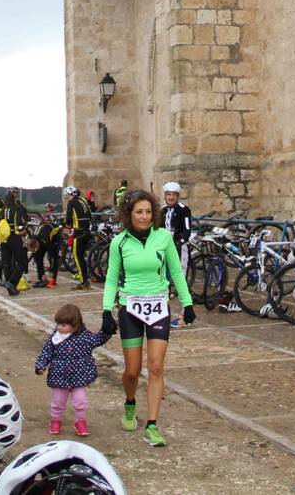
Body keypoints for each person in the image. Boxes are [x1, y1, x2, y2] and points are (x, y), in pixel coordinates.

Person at [100, 189, 196, 447]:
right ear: (128, 214)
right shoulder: (118, 242)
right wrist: (107, 309)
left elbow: (176, 271)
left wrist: (187, 304)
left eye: (148, 212)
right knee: (132, 371)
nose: (144, 217)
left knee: (155, 366)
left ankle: (152, 425)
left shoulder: (163, 238)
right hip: (130, 307)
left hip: (158, 306)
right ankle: (130, 402)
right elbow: (111, 278)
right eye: (138, 212)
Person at [34, 303, 112, 437]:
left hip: (80, 376)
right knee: (58, 402)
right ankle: (55, 420)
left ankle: (80, 421)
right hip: (59, 376)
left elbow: (98, 339)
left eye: (63, 325)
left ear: (75, 324)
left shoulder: (85, 337)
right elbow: (46, 353)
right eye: (58, 324)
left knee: (81, 401)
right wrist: (41, 366)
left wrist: (107, 331)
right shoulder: (54, 339)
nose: (60, 327)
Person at [160, 181, 194, 328]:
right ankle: (163, 313)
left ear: (178, 196)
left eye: (174, 195)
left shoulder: (184, 210)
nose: (171, 197)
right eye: (168, 194)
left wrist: (179, 241)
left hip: (179, 247)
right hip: (164, 248)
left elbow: (187, 230)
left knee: (181, 279)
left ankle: (186, 315)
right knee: (164, 280)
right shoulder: (162, 211)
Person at [2, 187, 32, 294]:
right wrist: (24, 228)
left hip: (4, 238)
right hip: (14, 237)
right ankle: (12, 282)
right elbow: (22, 221)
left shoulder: (4, 208)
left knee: (6, 263)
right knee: (22, 262)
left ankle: (10, 289)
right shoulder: (17, 207)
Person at [63, 186, 93, 290]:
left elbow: (68, 219)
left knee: (78, 258)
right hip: (87, 231)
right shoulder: (83, 200)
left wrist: (67, 224)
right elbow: (89, 215)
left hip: (79, 232)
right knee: (82, 257)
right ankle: (86, 278)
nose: (67, 198)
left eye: (67, 196)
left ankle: (83, 282)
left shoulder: (71, 203)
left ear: (72, 194)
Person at [29, 215, 62, 287]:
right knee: (38, 258)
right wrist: (41, 275)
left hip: (54, 238)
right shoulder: (32, 238)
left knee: (53, 258)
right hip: (41, 239)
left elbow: (52, 255)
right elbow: (37, 257)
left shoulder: (44, 239)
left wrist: (51, 273)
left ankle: (53, 279)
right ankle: (42, 278)